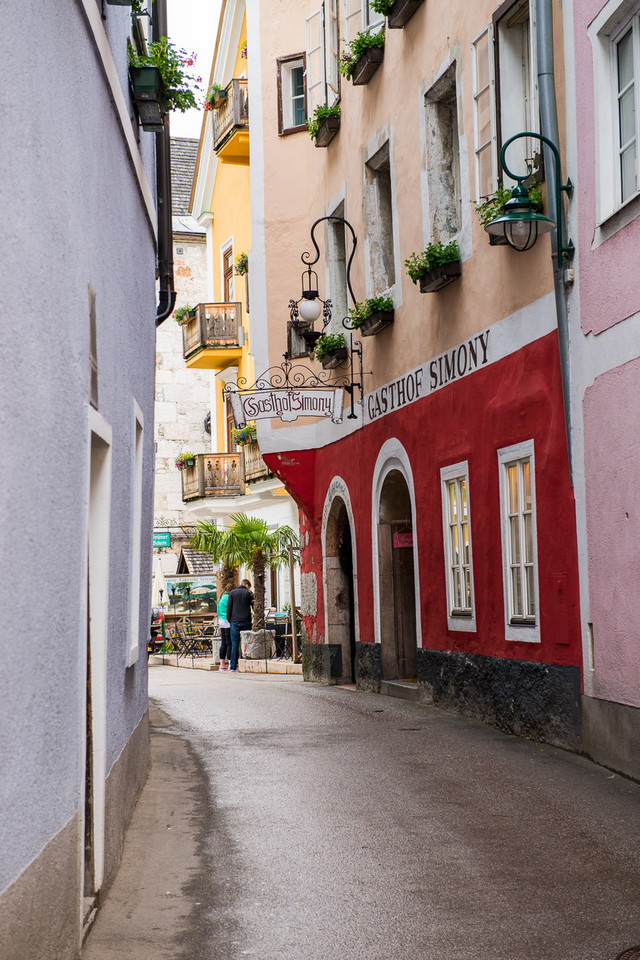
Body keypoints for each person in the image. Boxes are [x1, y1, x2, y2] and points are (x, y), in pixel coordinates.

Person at [226, 579, 253, 672]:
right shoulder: (248, 593)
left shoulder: (232, 593)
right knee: (246, 643)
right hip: (246, 620)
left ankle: (233, 666)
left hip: (235, 621)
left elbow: (229, 608)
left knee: (235, 644)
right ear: (246, 585)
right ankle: (246, 665)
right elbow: (253, 606)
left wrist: (230, 620)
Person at [217, 589, 231, 671]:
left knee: (223, 643)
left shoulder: (220, 597)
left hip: (221, 620)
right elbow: (230, 608)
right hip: (227, 620)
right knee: (229, 643)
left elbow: (218, 610)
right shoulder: (228, 597)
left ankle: (222, 664)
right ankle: (230, 663)